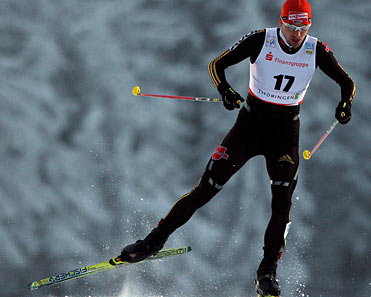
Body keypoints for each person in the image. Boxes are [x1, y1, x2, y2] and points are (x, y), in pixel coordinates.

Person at [119, 0, 355, 295]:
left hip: (285, 133)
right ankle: (151, 243)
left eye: (304, 27)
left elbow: (347, 82)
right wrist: (226, 91)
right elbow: (217, 65)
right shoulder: (261, 39)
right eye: (293, 27)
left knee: (282, 203)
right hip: (249, 128)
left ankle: (267, 273)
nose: (298, 34)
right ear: (282, 22)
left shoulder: (316, 49)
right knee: (206, 189)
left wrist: (345, 106)